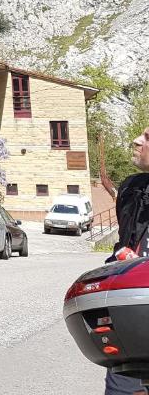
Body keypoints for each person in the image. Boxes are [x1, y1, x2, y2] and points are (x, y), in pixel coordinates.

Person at [104, 127, 149, 395]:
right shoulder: (132, 189)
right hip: (135, 338)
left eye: (148, 138)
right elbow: (125, 244)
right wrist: (121, 257)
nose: (136, 141)